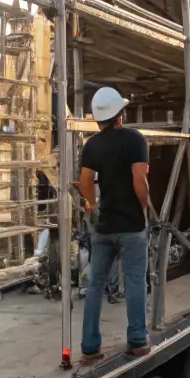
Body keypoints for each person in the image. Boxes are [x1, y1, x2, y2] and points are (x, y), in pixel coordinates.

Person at [76, 87, 151, 361]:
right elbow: (139, 182)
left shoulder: (92, 145)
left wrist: (92, 205)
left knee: (95, 284)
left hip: (105, 226)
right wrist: (142, 210)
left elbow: (84, 182)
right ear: (120, 115)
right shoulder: (135, 140)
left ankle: (90, 347)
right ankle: (137, 340)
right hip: (131, 226)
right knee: (134, 281)